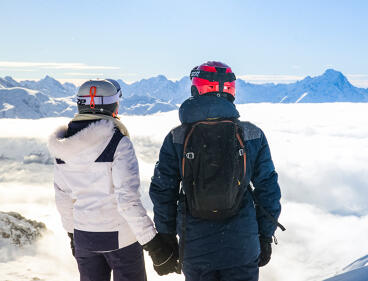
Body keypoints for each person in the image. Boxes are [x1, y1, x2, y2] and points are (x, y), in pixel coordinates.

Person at [149, 61, 283, 281]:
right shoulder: (252, 134)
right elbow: (267, 187)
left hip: (195, 247)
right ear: (231, 91)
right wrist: (265, 235)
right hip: (242, 245)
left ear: (196, 88)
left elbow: (163, 190)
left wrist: (166, 236)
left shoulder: (176, 137)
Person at [48, 79, 179, 281]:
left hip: (84, 236)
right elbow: (127, 200)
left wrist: (73, 235)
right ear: (112, 105)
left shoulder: (62, 145)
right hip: (121, 238)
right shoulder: (118, 142)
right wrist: (153, 245)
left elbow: (63, 198)